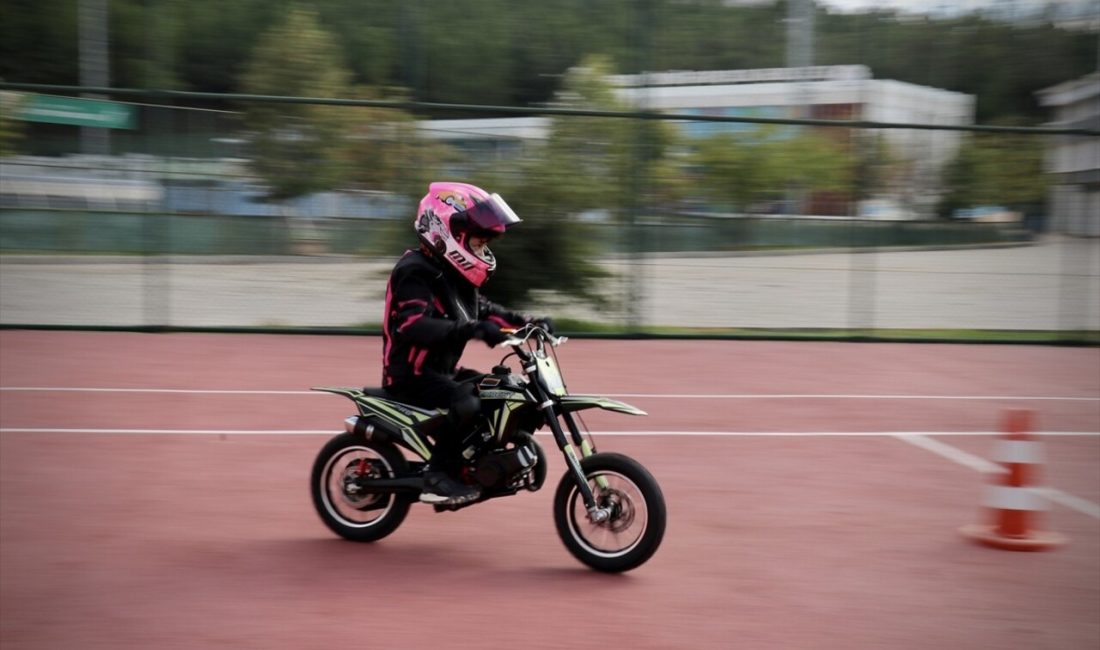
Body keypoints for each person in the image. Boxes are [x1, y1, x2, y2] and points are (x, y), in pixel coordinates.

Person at [381, 182, 552, 505]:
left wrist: (529, 322)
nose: (482, 248)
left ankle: (478, 461)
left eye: (484, 243)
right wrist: (472, 330)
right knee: (467, 403)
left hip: (442, 372)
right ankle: (437, 476)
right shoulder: (415, 271)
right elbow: (412, 325)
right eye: (477, 240)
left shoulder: (454, 276)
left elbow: (487, 311)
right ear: (446, 230)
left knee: (503, 388)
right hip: (410, 376)